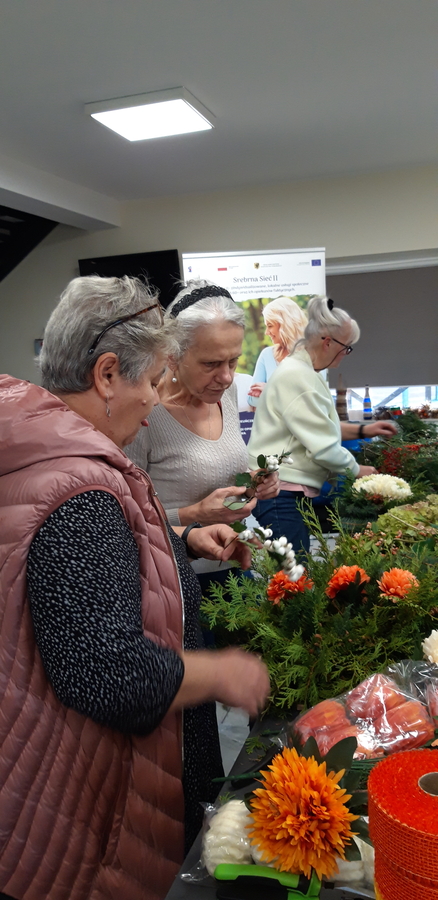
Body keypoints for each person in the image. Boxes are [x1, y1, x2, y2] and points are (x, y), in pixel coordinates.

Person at [0, 275, 270, 900]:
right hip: (82, 797)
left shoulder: (55, 461)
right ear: (107, 375)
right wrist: (221, 674)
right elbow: (106, 672)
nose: (155, 400)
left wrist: (179, 543)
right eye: (152, 380)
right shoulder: (81, 493)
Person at [126, 279, 280, 597]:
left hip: (236, 568)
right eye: (210, 364)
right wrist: (194, 515)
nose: (226, 377)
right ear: (172, 356)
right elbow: (127, 520)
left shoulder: (227, 392)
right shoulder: (144, 413)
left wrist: (256, 485)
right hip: (178, 581)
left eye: (233, 361)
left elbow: (218, 480)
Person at [248, 296, 379, 556]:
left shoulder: (302, 371)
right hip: (279, 494)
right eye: (347, 348)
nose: (345, 355)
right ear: (328, 342)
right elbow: (323, 446)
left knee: (296, 578)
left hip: (283, 491)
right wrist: (360, 470)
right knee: (294, 582)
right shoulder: (298, 375)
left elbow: (323, 430)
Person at [248, 295, 308, 408]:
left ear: (285, 325)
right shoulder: (267, 355)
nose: (266, 332)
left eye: (270, 326)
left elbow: (311, 401)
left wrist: (270, 390)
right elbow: (252, 399)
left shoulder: (312, 355)